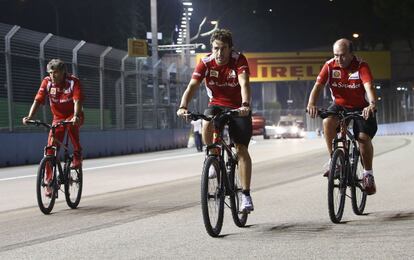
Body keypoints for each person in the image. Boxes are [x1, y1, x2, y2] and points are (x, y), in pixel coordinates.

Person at [176, 29, 254, 212]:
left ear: (230, 48)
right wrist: (182, 106)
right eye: (216, 48)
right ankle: (212, 156)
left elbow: (244, 83)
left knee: (241, 149)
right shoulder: (205, 62)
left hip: (238, 107)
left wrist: (245, 105)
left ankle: (246, 195)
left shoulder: (239, 60)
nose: (219, 53)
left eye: (223, 48)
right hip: (216, 104)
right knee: (206, 119)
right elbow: (192, 86)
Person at [307, 38, 377, 195]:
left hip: (362, 107)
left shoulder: (361, 66)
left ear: (352, 53)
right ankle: (335, 161)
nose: (339, 59)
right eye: (336, 55)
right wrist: (311, 103)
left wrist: (372, 105)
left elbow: (369, 87)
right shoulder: (330, 65)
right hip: (340, 105)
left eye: (343, 55)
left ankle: (368, 174)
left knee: (363, 138)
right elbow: (318, 86)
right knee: (327, 121)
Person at [22, 59, 84, 194]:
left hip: (74, 115)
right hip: (58, 117)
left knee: (73, 127)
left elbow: (77, 100)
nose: (52, 76)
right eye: (50, 72)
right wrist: (30, 116)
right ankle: (49, 181)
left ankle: (77, 154)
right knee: (50, 149)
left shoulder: (73, 82)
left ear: (63, 72)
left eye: (55, 72)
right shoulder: (47, 82)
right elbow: (38, 100)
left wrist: (75, 116)